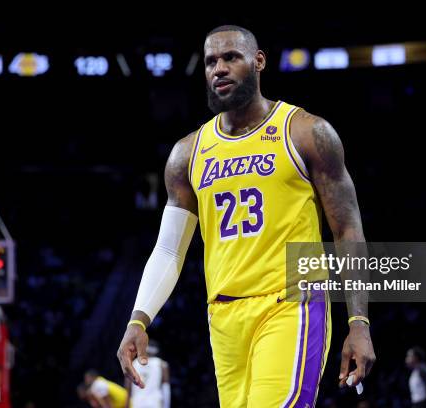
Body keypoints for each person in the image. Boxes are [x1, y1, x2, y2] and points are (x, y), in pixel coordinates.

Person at [118, 24, 376, 407]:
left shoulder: (306, 132)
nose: (218, 68)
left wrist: (359, 323)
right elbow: (170, 251)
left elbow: (347, 229)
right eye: (210, 61)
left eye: (230, 57)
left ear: (258, 62)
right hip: (223, 317)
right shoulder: (187, 154)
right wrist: (138, 319)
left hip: (292, 303)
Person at [128, 341, 171, 408]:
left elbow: (128, 388)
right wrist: (166, 406)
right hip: (155, 404)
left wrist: (126, 405)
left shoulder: (133, 364)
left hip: (137, 403)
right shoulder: (162, 364)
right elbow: (166, 389)